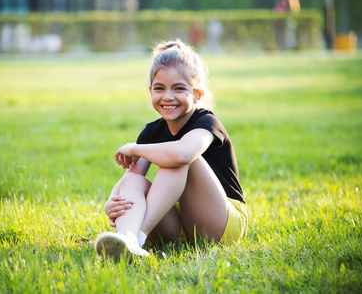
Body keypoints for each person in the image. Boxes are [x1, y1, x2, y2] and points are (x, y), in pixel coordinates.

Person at [94, 40, 248, 262]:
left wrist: (136, 148)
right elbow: (130, 180)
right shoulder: (152, 132)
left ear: (197, 94)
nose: (167, 96)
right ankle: (127, 239)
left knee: (181, 159)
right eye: (159, 88)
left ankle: (136, 237)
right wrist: (111, 202)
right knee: (135, 180)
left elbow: (183, 154)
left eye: (179, 88)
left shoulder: (207, 122)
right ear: (150, 91)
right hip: (180, 228)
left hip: (222, 223)